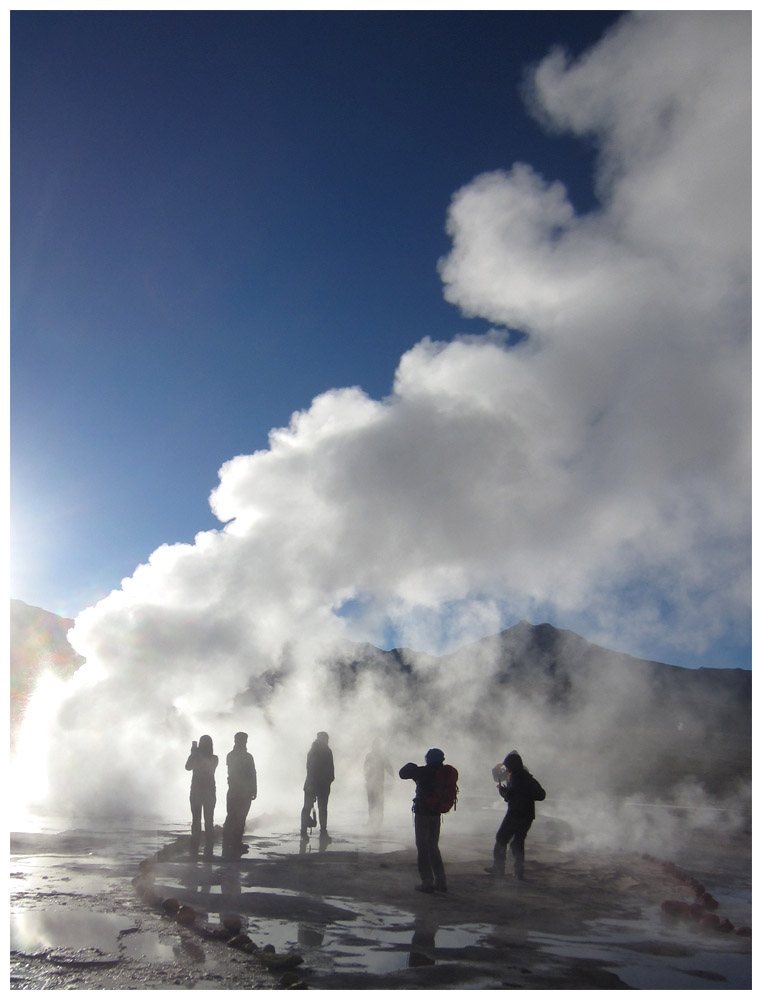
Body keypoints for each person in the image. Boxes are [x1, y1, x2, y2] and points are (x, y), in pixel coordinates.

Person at [485, 750, 546, 880]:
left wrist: (502, 791)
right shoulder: (527, 777)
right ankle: (519, 872)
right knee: (518, 842)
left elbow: (509, 796)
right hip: (528, 814)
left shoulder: (516, 777)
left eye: (507, 766)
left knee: (501, 838)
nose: (506, 769)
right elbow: (541, 794)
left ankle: (499, 868)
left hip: (515, 813)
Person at [399, 748, 453, 893]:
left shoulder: (423, 772)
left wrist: (412, 766)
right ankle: (441, 881)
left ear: (428, 759)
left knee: (422, 847)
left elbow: (402, 774)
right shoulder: (445, 774)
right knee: (433, 847)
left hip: (423, 814)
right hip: (436, 814)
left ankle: (427, 882)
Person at [221, 732, 257, 860]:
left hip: (237, 790)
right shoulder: (245, 756)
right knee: (236, 817)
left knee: (235, 817)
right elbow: (252, 773)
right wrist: (254, 789)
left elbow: (252, 773)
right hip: (240, 791)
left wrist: (254, 789)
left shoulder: (232, 755)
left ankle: (233, 843)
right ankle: (232, 842)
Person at [185, 735, 218, 859]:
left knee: (201, 821)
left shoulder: (213, 758)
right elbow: (188, 767)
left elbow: (191, 766)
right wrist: (193, 754)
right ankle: (205, 848)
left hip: (200, 791)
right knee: (204, 821)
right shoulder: (213, 758)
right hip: (204, 792)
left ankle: (199, 848)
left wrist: (194, 753)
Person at [300, 731, 334, 843]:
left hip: (312, 784)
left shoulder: (312, 751)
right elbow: (329, 770)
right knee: (322, 808)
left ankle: (304, 831)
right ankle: (323, 832)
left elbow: (309, 769)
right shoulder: (326, 752)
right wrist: (328, 780)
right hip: (320, 785)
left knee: (307, 807)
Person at [363, 739, 393, 827]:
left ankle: (377, 821)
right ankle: (372, 820)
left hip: (377, 782)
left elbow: (388, 767)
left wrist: (393, 776)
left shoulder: (380, 756)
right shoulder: (371, 756)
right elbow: (365, 767)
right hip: (371, 782)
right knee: (373, 802)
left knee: (377, 802)